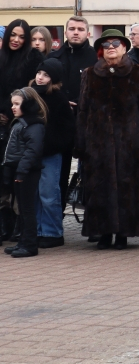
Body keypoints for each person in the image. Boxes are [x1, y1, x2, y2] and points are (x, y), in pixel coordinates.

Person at [77, 29, 139, 250]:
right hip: (97, 142)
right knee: (98, 188)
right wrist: (81, 143)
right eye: (107, 44)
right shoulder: (90, 74)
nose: (111, 47)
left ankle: (124, 233)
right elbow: (83, 110)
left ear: (124, 47)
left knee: (127, 187)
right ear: (101, 50)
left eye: (116, 43)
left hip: (129, 142)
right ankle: (102, 232)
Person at [0, 19, 44, 242]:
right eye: (13, 35)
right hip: (2, 123)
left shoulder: (33, 58)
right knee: (3, 178)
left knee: (19, 175)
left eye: (21, 36)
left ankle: (20, 225)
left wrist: (15, 109)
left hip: (22, 123)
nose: (16, 40)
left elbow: (34, 91)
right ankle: (4, 223)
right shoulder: (2, 57)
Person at [47, 15, 94, 208]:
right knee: (59, 174)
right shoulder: (53, 58)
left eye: (80, 29)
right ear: (65, 31)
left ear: (88, 33)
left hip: (89, 122)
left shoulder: (96, 59)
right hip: (60, 123)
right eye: (72, 28)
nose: (76, 32)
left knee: (92, 174)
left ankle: (95, 224)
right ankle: (56, 220)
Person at [30, 60, 74, 248]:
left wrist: (50, 146)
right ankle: (39, 230)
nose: (41, 77)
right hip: (32, 153)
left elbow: (66, 130)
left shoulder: (59, 99)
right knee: (35, 195)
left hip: (51, 154)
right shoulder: (30, 95)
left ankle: (53, 232)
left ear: (53, 79)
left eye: (46, 75)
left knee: (49, 194)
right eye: (39, 73)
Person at [2, 87, 47, 258]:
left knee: (27, 209)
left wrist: (21, 171)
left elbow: (32, 151)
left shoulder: (33, 125)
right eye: (12, 104)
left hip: (27, 172)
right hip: (18, 170)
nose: (13, 107)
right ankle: (22, 241)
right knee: (21, 207)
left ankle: (29, 244)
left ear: (27, 105)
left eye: (17, 104)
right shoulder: (20, 123)